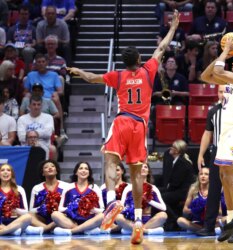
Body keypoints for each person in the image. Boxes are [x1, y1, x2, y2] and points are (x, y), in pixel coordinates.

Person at [66, 10, 179, 245]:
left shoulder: (117, 75)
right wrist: (173, 26)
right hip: (139, 126)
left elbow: (91, 77)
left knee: (109, 162)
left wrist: (77, 72)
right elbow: (162, 48)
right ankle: (138, 219)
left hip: (122, 121)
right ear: (139, 60)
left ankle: (110, 202)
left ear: (125, 63)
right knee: (137, 173)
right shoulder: (148, 70)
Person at [200, 36, 233, 243]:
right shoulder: (229, 82)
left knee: (230, 177)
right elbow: (206, 76)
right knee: (223, 176)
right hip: (224, 134)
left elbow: (220, 71)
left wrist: (225, 51)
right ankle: (231, 220)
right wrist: (222, 54)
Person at [195, 84, 233, 236]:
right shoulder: (213, 111)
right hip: (217, 151)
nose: (223, 94)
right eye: (220, 91)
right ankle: (210, 227)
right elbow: (207, 134)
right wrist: (201, 154)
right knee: (214, 189)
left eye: (226, 91)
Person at [51, 161, 105, 235]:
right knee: (55, 214)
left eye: (86, 169)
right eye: (81, 168)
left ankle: (72, 231)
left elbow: (102, 210)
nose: (83, 170)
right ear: (76, 172)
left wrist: (93, 209)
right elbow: (60, 209)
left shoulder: (95, 188)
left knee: (102, 216)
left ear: (89, 173)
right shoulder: (68, 187)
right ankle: (85, 230)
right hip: (72, 221)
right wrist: (73, 207)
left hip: (89, 220)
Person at [116, 163, 167, 235]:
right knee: (118, 217)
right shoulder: (129, 188)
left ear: (148, 171)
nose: (143, 168)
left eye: (145, 167)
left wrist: (148, 200)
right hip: (133, 221)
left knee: (163, 215)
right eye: (140, 167)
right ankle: (146, 231)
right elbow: (121, 207)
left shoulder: (153, 188)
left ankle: (137, 231)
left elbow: (163, 207)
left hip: (148, 221)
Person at [161, 139, 195, 231]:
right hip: (177, 189)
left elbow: (176, 183)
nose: (170, 148)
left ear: (177, 150)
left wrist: (166, 189)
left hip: (183, 192)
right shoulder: (176, 160)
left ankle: (176, 219)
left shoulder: (182, 163)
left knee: (162, 198)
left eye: (173, 147)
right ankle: (171, 222)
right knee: (159, 194)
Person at [28, 160, 69, 234]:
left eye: (52, 166)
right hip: (42, 219)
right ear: (43, 173)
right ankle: (49, 228)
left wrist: (57, 208)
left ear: (56, 171)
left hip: (59, 218)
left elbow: (69, 207)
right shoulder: (37, 188)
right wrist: (42, 208)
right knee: (29, 215)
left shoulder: (66, 186)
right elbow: (31, 210)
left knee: (63, 215)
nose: (50, 168)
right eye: (46, 167)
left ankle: (43, 229)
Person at [17, 95, 56, 160]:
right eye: (34, 104)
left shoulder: (49, 117)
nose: (36, 107)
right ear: (29, 106)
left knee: (52, 148)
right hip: (26, 145)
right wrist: (34, 137)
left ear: (42, 106)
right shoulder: (22, 119)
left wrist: (32, 134)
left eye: (38, 104)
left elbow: (48, 133)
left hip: (43, 144)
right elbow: (21, 137)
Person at [0, 163, 32, 236]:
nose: (5, 172)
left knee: (28, 217)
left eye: (8, 170)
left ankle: (3, 231)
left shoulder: (19, 189)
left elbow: (25, 211)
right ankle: (11, 231)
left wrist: (15, 210)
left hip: (15, 221)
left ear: (12, 174)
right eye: (2, 170)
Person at [177, 166, 210, 232]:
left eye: (206, 174)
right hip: (196, 222)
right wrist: (195, 210)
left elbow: (220, 211)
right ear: (198, 176)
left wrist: (205, 209)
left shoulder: (213, 190)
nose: (203, 176)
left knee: (225, 219)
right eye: (201, 174)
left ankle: (207, 229)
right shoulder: (193, 189)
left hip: (210, 222)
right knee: (180, 220)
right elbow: (185, 210)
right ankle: (204, 230)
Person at [100, 162, 129, 233]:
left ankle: (115, 228)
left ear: (122, 171)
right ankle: (115, 228)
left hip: (123, 216)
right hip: (107, 217)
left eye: (117, 170)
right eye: (113, 170)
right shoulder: (103, 187)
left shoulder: (128, 187)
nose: (115, 173)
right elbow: (101, 207)